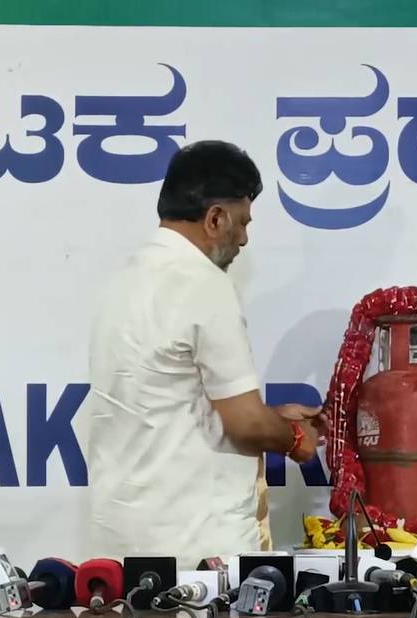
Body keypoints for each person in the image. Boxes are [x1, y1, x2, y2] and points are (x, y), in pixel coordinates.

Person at [87, 140, 323, 563]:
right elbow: (246, 424)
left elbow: (174, 401)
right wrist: (294, 440)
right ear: (216, 218)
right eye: (243, 222)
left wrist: (271, 415)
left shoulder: (123, 280)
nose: (245, 239)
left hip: (121, 549)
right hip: (197, 554)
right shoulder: (203, 283)